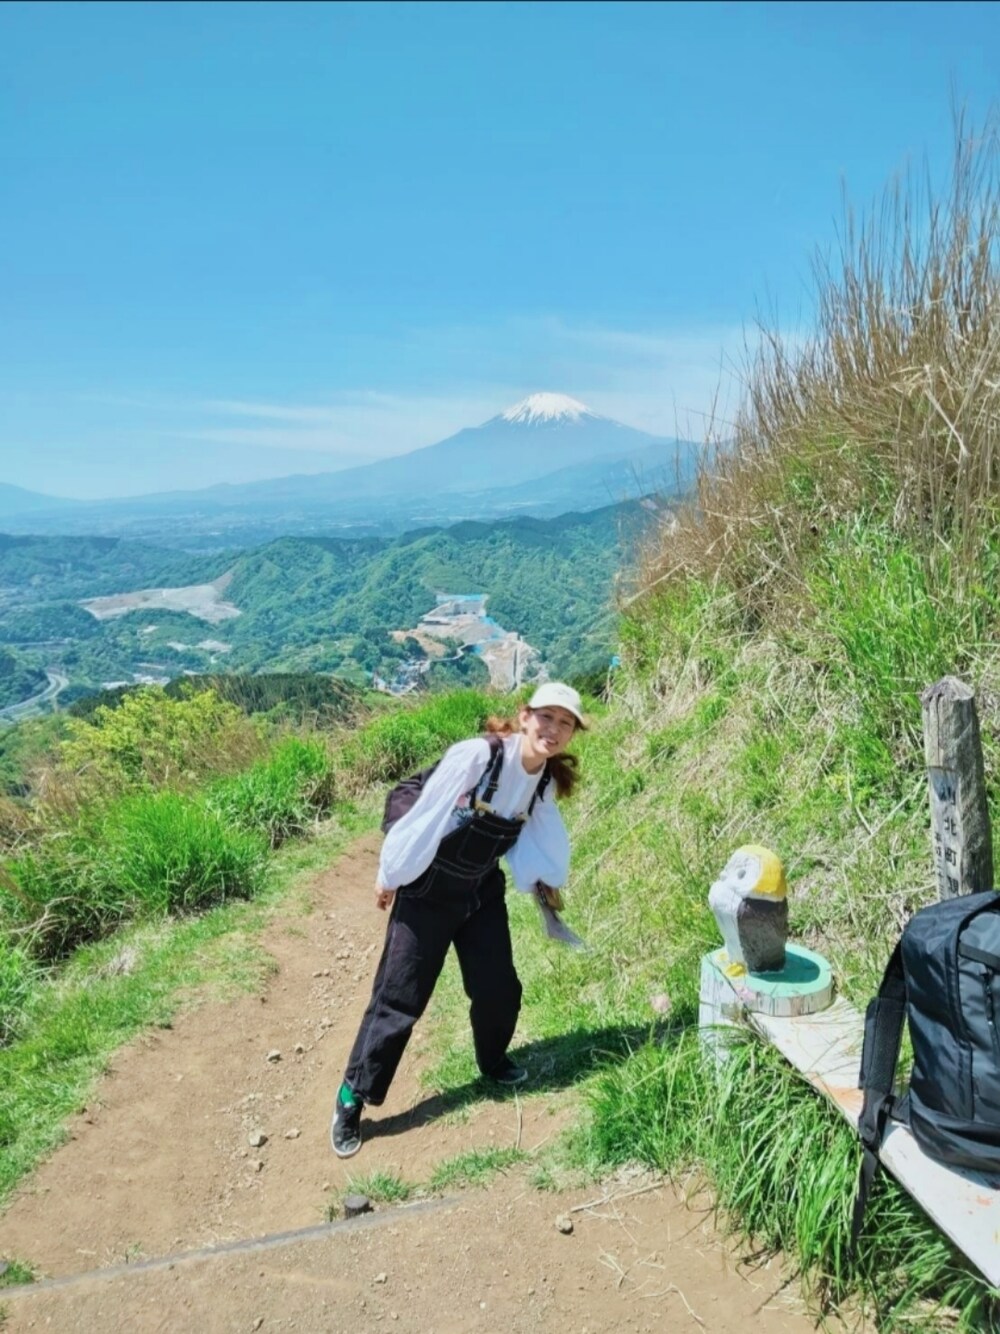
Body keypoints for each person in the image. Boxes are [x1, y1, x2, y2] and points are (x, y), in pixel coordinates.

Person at [330, 681, 586, 1158]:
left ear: (572, 733)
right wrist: (390, 874)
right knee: (398, 999)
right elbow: (425, 816)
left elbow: (538, 838)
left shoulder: (542, 781)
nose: (553, 730)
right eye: (546, 717)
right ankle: (353, 1096)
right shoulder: (478, 757)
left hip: (480, 892)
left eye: (565, 722)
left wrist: (543, 880)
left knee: (498, 988)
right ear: (525, 716)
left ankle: (492, 1062)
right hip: (426, 890)